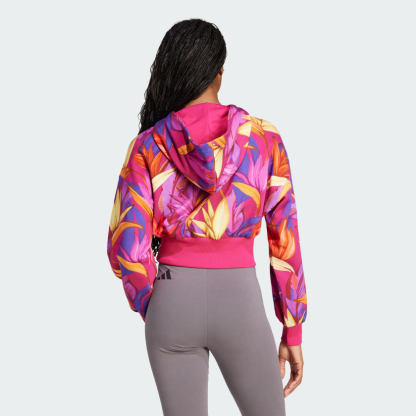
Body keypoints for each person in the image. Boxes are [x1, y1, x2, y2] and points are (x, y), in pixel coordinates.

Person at [106, 18, 307, 416]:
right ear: (219, 72)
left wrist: (156, 305)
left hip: (172, 298)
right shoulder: (264, 138)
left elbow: (126, 248)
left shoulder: (148, 145)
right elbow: (284, 236)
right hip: (240, 300)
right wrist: (293, 326)